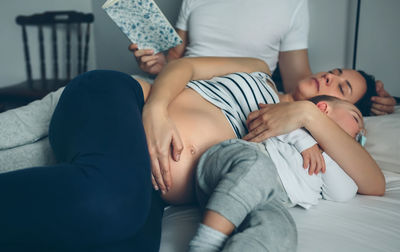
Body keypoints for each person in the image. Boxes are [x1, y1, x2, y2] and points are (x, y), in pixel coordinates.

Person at [0, 57, 384, 251]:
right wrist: (155, 111)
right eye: (335, 71)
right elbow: (184, 66)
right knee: (109, 204)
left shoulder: (297, 146)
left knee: (127, 241)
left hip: (145, 183)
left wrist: (303, 115)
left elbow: (374, 183)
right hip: (126, 104)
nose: (331, 78)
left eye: (344, 88)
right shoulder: (259, 71)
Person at [130, 0, 396, 115]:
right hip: (180, 82)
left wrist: (364, 102)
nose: (330, 78)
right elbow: (175, 57)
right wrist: (157, 64)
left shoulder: (292, 4)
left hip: (235, 96)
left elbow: (301, 85)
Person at [188, 95, 364, 251]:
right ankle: (205, 244)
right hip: (232, 163)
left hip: (261, 198)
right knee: (260, 167)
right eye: (356, 118)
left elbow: (344, 192)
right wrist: (304, 141)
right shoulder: (292, 122)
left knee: (280, 229)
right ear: (323, 108)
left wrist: (330, 152)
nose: (361, 135)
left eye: (362, 139)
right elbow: (258, 119)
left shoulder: (326, 163)